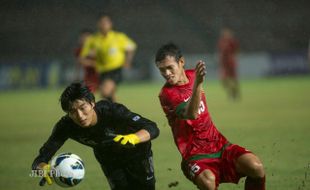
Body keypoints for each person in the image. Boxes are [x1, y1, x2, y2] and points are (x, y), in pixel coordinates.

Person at [156, 43, 265, 190]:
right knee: (208, 183)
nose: (167, 73)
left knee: (255, 166)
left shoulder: (194, 75)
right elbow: (191, 114)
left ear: (181, 62)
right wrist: (198, 85)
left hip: (219, 145)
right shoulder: (167, 94)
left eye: (170, 67)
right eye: (162, 70)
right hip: (194, 156)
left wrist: (197, 82)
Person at [31, 82, 159, 190]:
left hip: (137, 154)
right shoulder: (66, 126)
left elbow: (152, 127)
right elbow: (40, 160)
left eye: (82, 108)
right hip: (108, 160)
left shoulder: (111, 111)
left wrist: (134, 138)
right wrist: (43, 168)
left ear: (92, 103)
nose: (80, 116)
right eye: (72, 111)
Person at [79, 13, 137, 102]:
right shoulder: (93, 40)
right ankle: (116, 112)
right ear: (98, 24)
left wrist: (128, 61)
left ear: (110, 24)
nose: (104, 25)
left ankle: (114, 111)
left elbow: (131, 47)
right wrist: (92, 62)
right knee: (109, 96)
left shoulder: (118, 37)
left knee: (105, 92)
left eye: (106, 22)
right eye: (101, 22)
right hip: (102, 72)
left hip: (115, 70)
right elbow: (82, 57)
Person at [217, 27, 240, 100]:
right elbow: (220, 52)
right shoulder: (221, 41)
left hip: (230, 63)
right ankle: (232, 92)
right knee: (223, 80)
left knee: (233, 79)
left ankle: (234, 93)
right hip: (224, 63)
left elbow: (236, 50)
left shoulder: (232, 41)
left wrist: (233, 57)